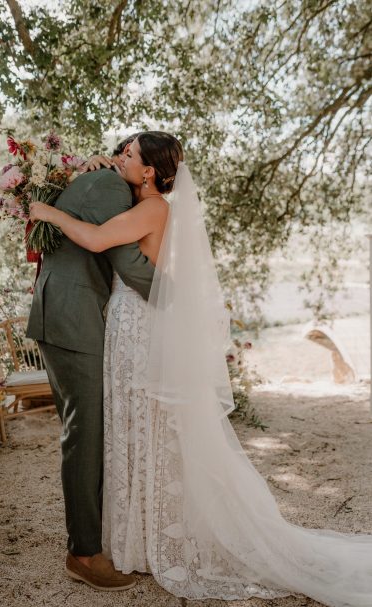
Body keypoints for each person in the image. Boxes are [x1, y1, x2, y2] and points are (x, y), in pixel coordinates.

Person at [30, 131, 372, 607]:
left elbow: (100, 241)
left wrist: (46, 211)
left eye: (127, 155)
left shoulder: (153, 209)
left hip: (135, 323)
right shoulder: (145, 204)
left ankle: (144, 536)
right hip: (126, 324)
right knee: (135, 427)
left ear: (148, 170)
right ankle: (138, 533)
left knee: (143, 429)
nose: (117, 158)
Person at [26, 134, 156, 592]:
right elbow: (127, 259)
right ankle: (83, 553)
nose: (123, 157)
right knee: (85, 434)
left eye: (131, 154)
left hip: (62, 312)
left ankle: (93, 537)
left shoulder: (97, 178)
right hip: (72, 316)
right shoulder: (110, 187)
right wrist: (181, 298)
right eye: (124, 151)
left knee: (83, 430)